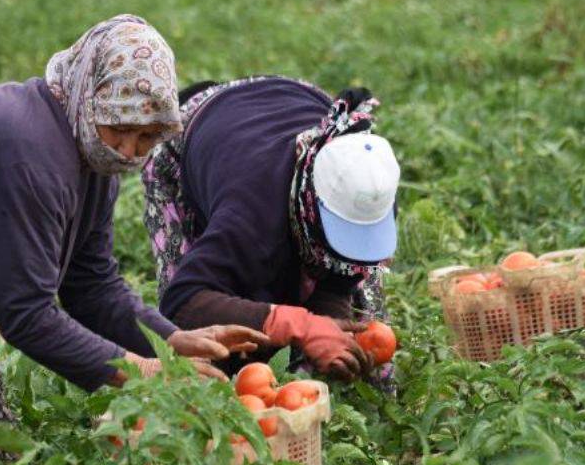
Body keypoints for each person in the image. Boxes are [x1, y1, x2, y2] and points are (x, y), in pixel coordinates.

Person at [0, 15, 267, 465]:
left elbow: (92, 284)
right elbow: (25, 313)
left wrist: (171, 343)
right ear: (90, 94)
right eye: (120, 128)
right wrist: (140, 368)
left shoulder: (92, 159)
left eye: (147, 137)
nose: (129, 151)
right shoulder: (31, 155)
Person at [144, 76, 400, 380]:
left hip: (294, 100)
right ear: (308, 208)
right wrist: (296, 325)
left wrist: (330, 316)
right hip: (198, 135)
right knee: (208, 355)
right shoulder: (250, 212)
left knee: (363, 336)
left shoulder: (369, 185)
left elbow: (343, 275)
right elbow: (183, 302)